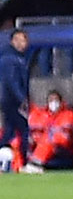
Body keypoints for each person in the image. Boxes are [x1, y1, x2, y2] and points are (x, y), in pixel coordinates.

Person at [22, 90, 73, 172]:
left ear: (61, 102)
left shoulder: (68, 114)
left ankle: (35, 165)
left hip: (64, 146)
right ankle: (20, 166)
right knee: (26, 140)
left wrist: (48, 134)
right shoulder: (43, 114)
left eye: (56, 100)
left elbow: (65, 133)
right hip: (45, 143)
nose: (53, 103)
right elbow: (36, 128)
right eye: (51, 100)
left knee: (49, 140)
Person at [0, 27, 29, 171]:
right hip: (12, 102)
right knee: (22, 130)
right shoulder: (10, 58)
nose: (24, 44)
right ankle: (23, 161)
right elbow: (11, 81)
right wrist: (22, 99)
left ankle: (8, 162)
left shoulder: (18, 58)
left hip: (11, 101)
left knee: (9, 131)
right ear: (14, 41)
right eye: (21, 40)